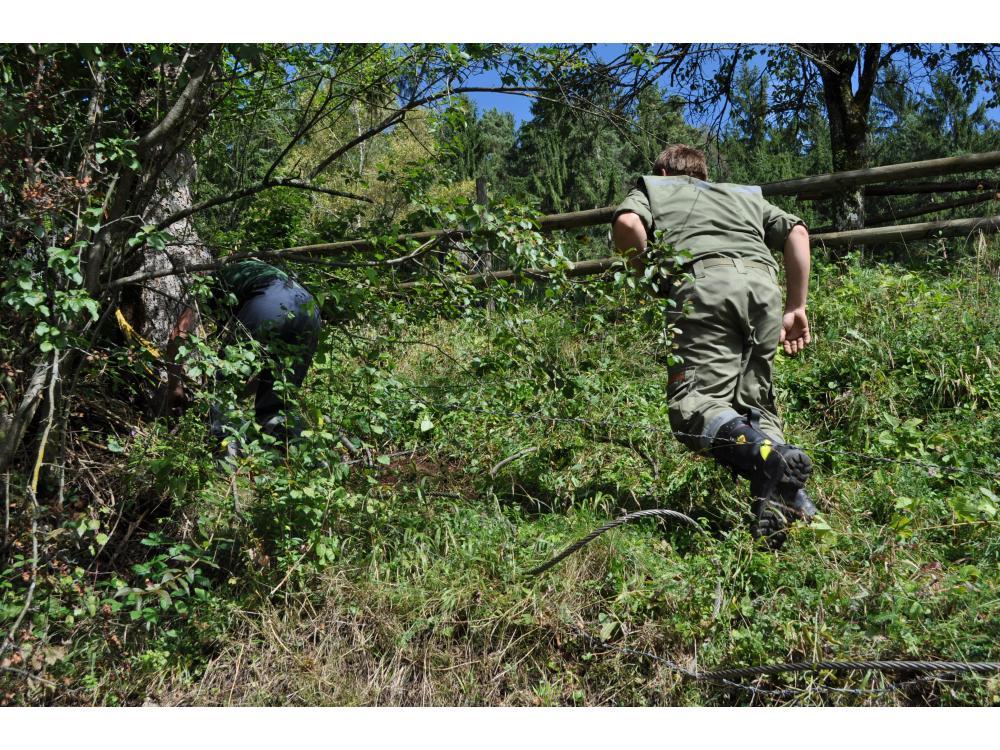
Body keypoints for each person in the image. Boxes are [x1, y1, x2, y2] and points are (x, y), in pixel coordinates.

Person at [611, 144, 816, 548]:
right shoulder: (742, 196)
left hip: (703, 285)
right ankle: (793, 505)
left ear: (664, 172)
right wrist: (797, 306)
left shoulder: (656, 188)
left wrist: (651, 276)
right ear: (705, 174)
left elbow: (629, 223)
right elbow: (798, 232)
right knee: (755, 406)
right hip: (763, 290)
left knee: (694, 406)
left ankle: (770, 459)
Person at [165, 258, 322, 453]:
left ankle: (225, 460)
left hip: (270, 303)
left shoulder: (210, 284)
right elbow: (266, 372)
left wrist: (174, 386)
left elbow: (179, 334)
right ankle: (297, 459)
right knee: (279, 402)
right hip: (310, 311)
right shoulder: (254, 274)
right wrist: (237, 394)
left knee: (223, 385)